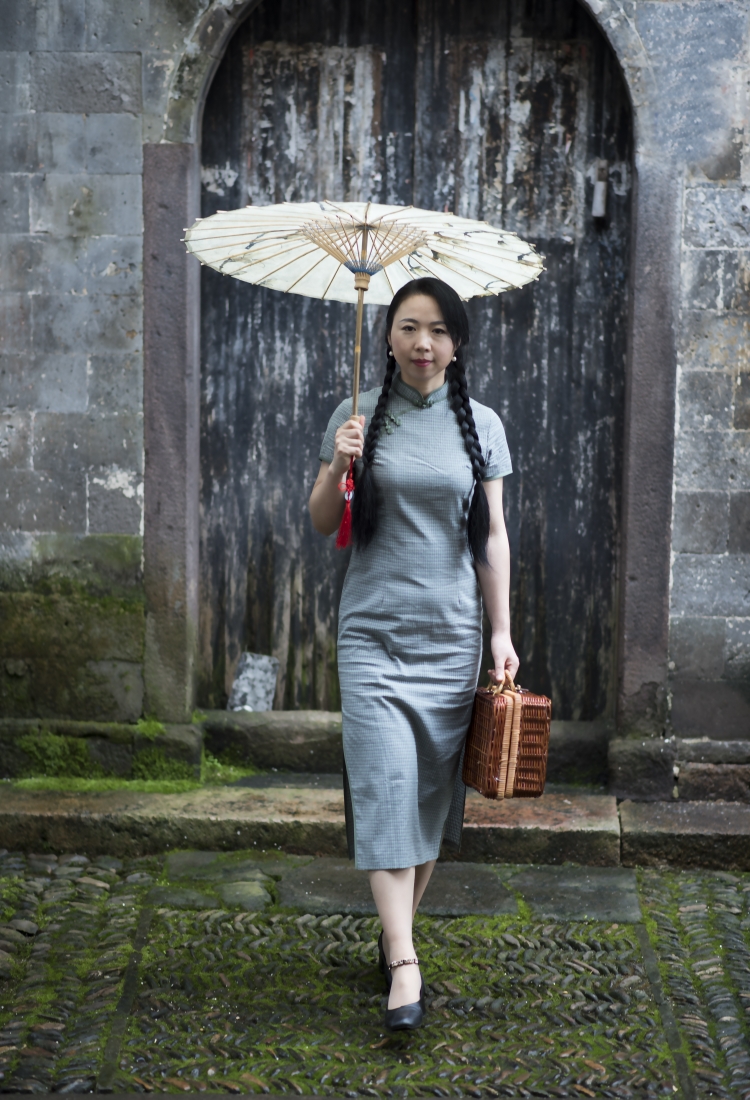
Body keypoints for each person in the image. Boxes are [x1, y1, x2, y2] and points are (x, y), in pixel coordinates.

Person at [309, 277, 519, 1031]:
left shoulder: (483, 425)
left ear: (455, 342)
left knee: (428, 796)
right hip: (373, 635)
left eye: (435, 330)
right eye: (406, 328)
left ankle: (394, 934)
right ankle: (405, 960)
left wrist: (500, 635)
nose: (421, 342)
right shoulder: (358, 416)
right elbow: (321, 518)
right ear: (388, 336)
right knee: (385, 784)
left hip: (452, 636)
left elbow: (491, 538)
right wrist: (340, 463)